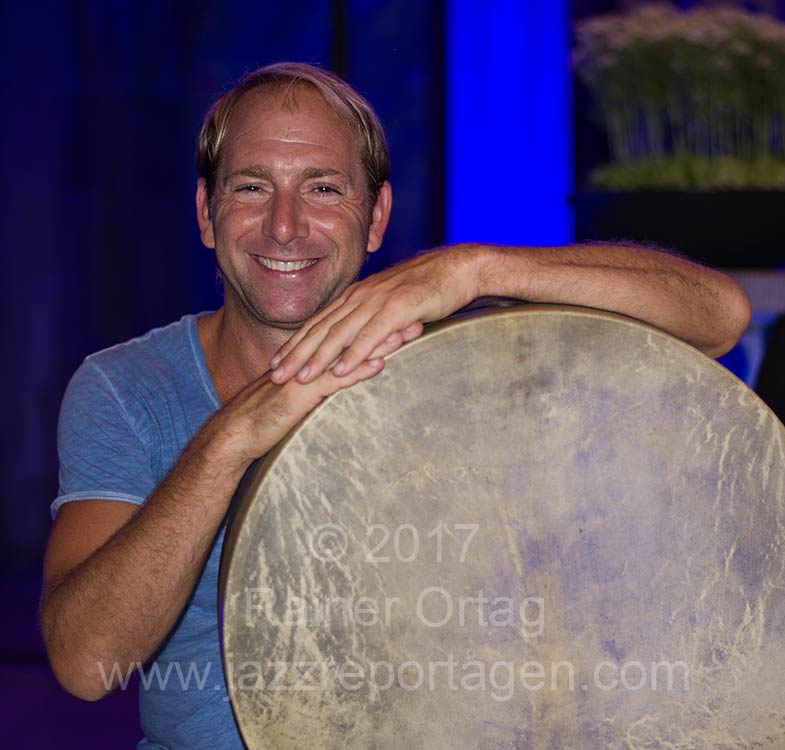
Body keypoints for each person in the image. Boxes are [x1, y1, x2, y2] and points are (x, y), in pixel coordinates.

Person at [40, 62, 751, 749]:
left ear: (376, 218)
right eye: (252, 187)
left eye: (323, 189)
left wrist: (473, 266)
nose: (284, 226)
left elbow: (718, 314)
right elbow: (85, 664)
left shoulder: (457, 359)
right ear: (206, 212)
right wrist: (230, 438)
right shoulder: (126, 386)